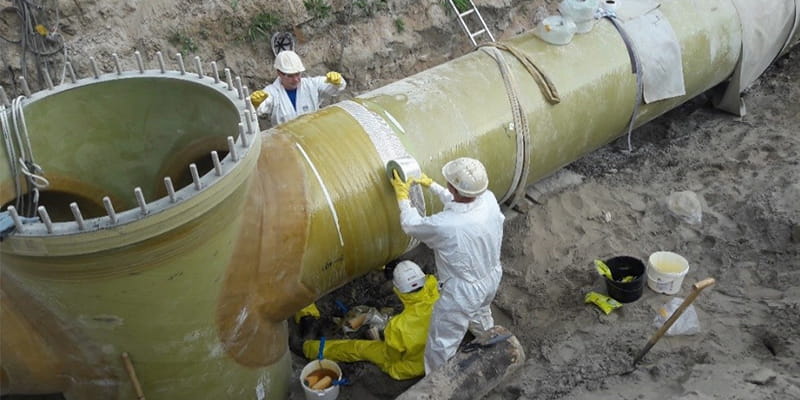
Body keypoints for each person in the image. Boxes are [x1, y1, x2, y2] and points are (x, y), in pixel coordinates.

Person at [390, 157, 505, 374]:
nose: (446, 185)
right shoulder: (487, 199)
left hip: (463, 291)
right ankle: (489, 338)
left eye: (447, 183)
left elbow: (412, 225)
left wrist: (403, 198)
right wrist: (431, 186)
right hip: (491, 275)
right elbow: (462, 203)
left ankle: (437, 383)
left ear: (453, 187)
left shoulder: (446, 226)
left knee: (442, 340)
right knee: (480, 311)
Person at [302, 260, 439, 380]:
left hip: (409, 367)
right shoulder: (440, 293)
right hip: (438, 355)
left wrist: (381, 338)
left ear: (397, 289)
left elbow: (391, 356)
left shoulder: (399, 326)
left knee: (357, 348)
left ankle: (309, 348)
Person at [249, 50, 346, 126]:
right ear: (279, 73)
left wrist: (338, 81)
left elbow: (335, 88)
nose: (295, 80)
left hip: (312, 136)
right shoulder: (273, 93)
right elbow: (260, 108)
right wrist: (255, 105)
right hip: (286, 142)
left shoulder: (311, 85)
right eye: (290, 76)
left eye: (298, 74)